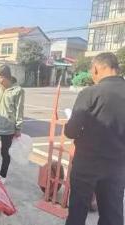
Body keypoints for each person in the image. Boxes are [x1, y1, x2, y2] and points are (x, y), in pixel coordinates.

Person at [65, 52, 125, 225]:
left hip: (87, 162)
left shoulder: (91, 93)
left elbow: (71, 131)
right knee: (112, 213)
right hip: (118, 164)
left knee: (77, 210)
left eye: (92, 71)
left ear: (97, 68)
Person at [0, 65, 24, 183]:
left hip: (8, 127)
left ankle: (2, 176)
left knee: (5, 152)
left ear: (5, 77)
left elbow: (19, 110)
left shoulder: (18, 91)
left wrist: (18, 127)